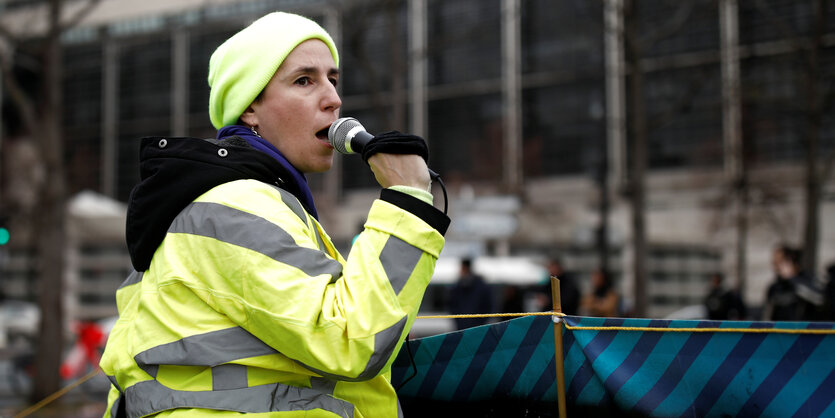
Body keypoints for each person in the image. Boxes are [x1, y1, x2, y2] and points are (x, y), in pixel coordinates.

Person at [99, 12, 449, 418]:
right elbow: (350, 339)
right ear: (249, 109)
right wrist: (405, 203)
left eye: (332, 80)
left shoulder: (244, 201)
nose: (333, 98)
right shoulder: (232, 206)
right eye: (304, 80)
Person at [763, 246, 823, 321]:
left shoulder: (807, 280)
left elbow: (818, 299)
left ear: (791, 262)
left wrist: (792, 280)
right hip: (780, 330)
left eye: (780, 262)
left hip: (803, 329)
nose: (776, 267)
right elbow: (768, 313)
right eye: (775, 263)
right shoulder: (775, 287)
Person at [448, 258, 493, 330]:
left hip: (472, 328)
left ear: (465, 268)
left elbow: (488, 307)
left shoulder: (457, 286)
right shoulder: (481, 285)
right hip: (472, 328)